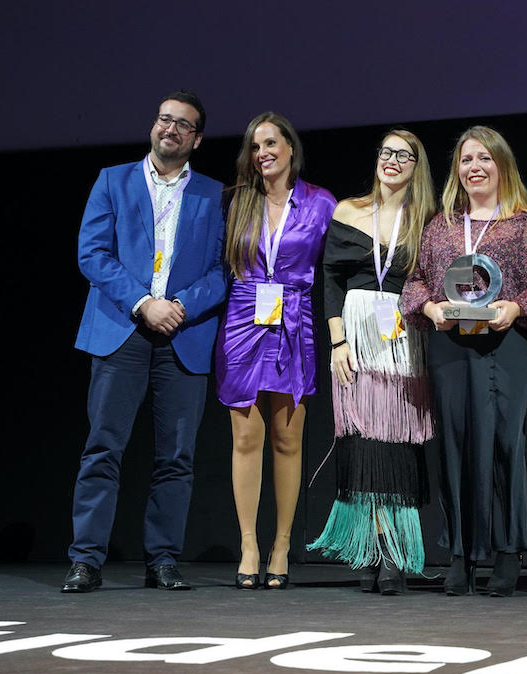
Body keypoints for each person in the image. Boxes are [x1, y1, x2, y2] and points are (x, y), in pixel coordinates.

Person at [63, 91, 227, 593]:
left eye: (183, 124)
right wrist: (142, 303)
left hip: (182, 334)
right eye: (164, 119)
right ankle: (86, 560)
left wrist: (181, 306)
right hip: (122, 331)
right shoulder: (112, 180)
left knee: (176, 457)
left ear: (197, 139)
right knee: (103, 448)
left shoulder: (214, 194)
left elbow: (224, 268)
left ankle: (163, 559)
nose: (170, 128)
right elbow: (92, 254)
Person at [400, 126, 527, 597]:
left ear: (502, 165)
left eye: (485, 158)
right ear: (457, 171)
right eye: (467, 160)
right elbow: (416, 281)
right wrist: (431, 309)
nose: (475, 167)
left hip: (506, 345)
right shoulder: (442, 227)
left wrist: (517, 307)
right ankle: (461, 553)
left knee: (505, 444)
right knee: (455, 444)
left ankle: (508, 552)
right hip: (451, 346)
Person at [308, 130, 437, 595]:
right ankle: (371, 547)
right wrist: (337, 341)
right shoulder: (348, 210)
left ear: (417, 166)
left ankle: (395, 552)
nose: (392, 160)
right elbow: (330, 278)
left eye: (404, 155)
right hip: (356, 337)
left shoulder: (427, 221)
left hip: (403, 340)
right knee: (362, 440)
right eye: (386, 151)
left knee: (397, 441)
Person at [215, 112, 335, 590]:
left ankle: (282, 545)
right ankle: (249, 544)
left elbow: (338, 267)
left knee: (288, 440)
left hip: (294, 320)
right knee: (246, 438)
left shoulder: (320, 203)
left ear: (290, 148)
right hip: (243, 319)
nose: (262, 153)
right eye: (254, 146)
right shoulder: (235, 202)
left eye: (270, 143)